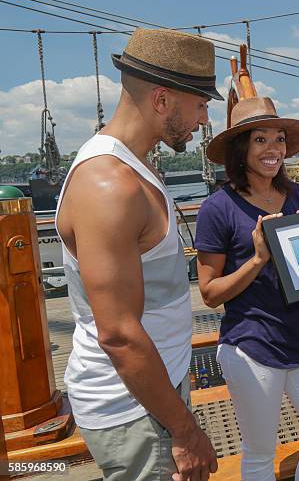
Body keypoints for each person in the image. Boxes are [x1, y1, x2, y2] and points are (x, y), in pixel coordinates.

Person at [55, 28, 223, 481]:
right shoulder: (109, 185)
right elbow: (119, 335)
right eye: (200, 104)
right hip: (134, 409)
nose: (204, 119)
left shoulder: (135, 168)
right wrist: (186, 431)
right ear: (163, 100)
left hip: (154, 394)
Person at [195, 97, 299, 481]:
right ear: (240, 149)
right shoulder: (218, 208)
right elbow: (210, 294)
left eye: (278, 139)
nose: (273, 149)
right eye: (260, 140)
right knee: (260, 454)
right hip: (252, 344)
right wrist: (258, 258)